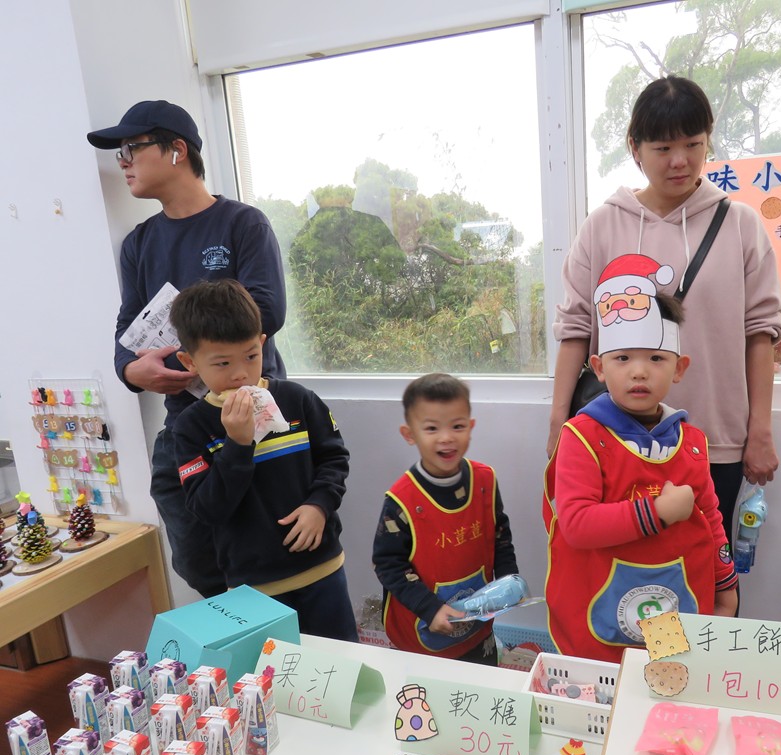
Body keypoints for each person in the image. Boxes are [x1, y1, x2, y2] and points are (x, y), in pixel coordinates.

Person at [548, 76, 781, 554]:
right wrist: (558, 422)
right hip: (613, 439)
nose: (680, 160)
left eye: (693, 144)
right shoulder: (602, 226)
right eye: (662, 148)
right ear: (635, 148)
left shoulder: (740, 224)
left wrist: (760, 429)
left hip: (714, 439)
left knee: (707, 571)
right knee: (621, 575)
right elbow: (576, 329)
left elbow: (761, 333)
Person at [87, 100, 287, 597]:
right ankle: (232, 632)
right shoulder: (139, 243)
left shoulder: (243, 223)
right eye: (119, 153)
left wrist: (193, 349)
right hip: (185, 422)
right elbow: (127, 328)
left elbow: (267, 310)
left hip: (254, 412)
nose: (123, 162)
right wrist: (132, 372)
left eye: (131, 148)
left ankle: (281, 637)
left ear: (177, 149)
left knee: (271, 554)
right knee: (197, 558)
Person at [544, 261, 737, 663]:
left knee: (661, 676)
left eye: (656, 358)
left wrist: (724, 581)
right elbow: (576, 524)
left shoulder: (691, 443)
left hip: (669, 598)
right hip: (596, 600)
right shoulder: (582, 437)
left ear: (679, 369)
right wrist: (657, 512)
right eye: (622, 358)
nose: (638, 371)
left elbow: (711, 518)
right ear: (599, 368)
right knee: (605, 685)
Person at [169, 280, 357, 641]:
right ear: (190, 362)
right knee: (271, 672)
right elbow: (207, 508)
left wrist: (319, 505)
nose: (240, 373)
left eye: (251, 356)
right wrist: (238, 445)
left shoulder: (298, 400)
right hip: (253, 588)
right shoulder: (191, 427)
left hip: (322, 569)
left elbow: (334, 458)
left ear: (263, 343)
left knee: (340, 661)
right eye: (222, 363)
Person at [372, 373, 519, 664]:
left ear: (470, 427)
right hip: (423, 633)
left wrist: (508, 581)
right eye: (431, 428)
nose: (446, 437)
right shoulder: (401, 501)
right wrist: (430, 608)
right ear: (409, 434)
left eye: (457, 426)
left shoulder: (485, 480)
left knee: (482, 682)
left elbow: (500, 535)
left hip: (478, 628)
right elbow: (388, 565)